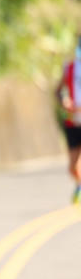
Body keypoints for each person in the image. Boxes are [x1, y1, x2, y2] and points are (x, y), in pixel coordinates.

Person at [56, 36, 81, 205]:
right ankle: (79, 185)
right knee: (72, 166)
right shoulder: (70, 68)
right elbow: (58, 91)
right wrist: (64, 101)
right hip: (73, 122)